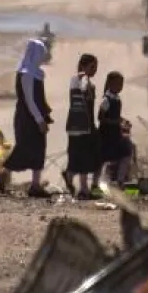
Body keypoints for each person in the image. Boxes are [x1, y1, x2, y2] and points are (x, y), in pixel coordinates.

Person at [0, 38, 54, 197]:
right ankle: (1, 173)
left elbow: (38, 98)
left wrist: (44, 115)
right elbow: (29, 100)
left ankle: (35, 185)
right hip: (27, 118)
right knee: (24, 147)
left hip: (35, 117)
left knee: (39, 149)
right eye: (41, 53)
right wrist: (39, 120)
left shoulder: (36, 73)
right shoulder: (26, 74)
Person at [64, 54, 100, 200]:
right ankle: (83, 189)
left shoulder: (87, 83)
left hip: (86, 125)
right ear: (84, 66)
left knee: (84, 156)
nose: (94, 70)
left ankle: (71, 177)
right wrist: (84, 78)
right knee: (81, 156)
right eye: (92, 67)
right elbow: (82, 87)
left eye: (95, 67)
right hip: (78, 125)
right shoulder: (77, 80)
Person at [97, 72, 129, 188]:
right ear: (110, 84)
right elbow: (100, 117)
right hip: (106, 134)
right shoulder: (106, 99)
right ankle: (95, 184)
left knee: (125, 154)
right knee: (102, 159)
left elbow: (116, 115)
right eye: (118, 83)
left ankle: (120, 181)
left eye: (121, 84)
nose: (120, 86)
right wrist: (115, 122)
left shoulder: (116, 98)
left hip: (115, 134)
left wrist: (123, 121)